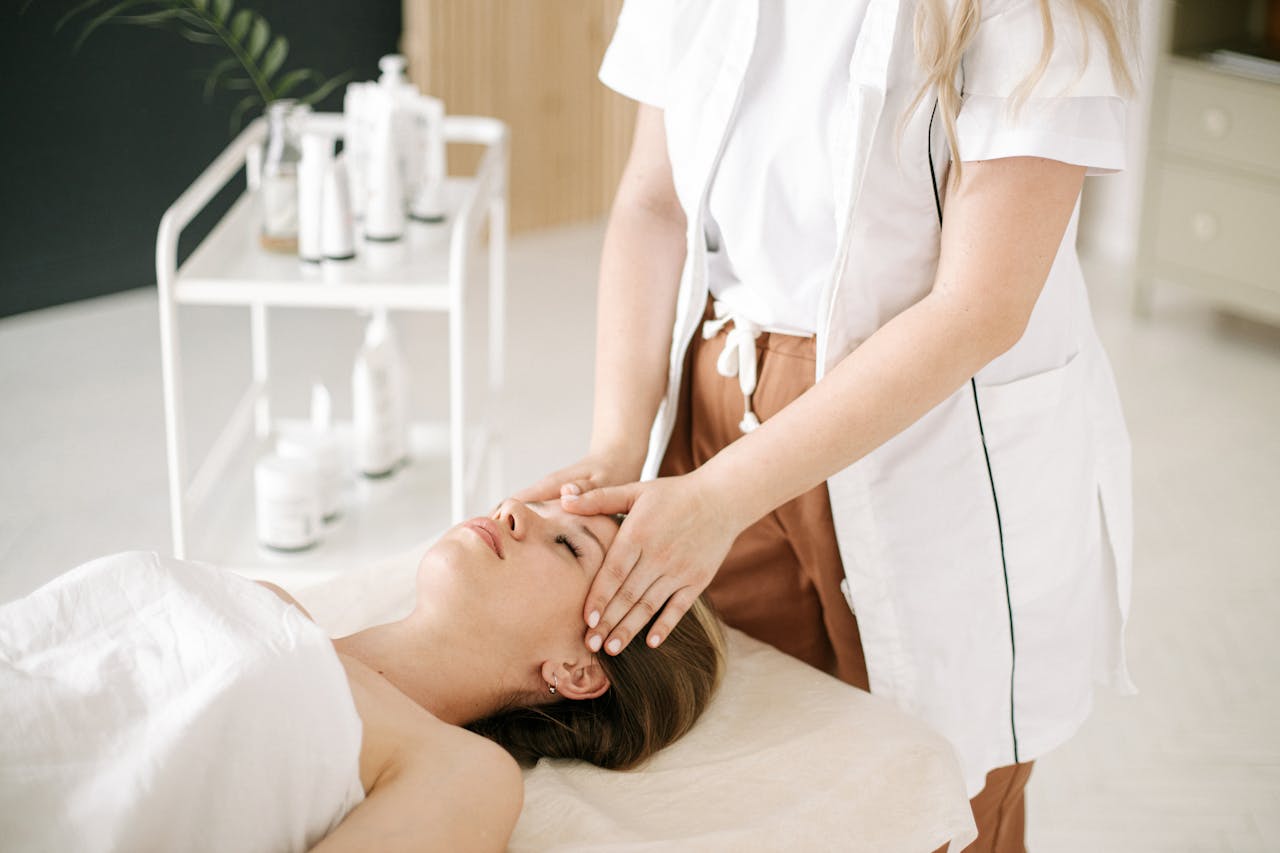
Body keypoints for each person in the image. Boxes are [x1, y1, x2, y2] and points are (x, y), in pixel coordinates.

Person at [517, 1, 1140, 849]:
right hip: (719, 407)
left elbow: (980, 305)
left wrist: (718, 497)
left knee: (946, 794)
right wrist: (620, 442)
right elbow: (652, 203)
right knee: (752, 772)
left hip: (923, 425)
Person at [0, 499, 725, 853]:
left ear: (577, 670)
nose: (513, 508)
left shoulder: (462, 771)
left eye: (568, 544)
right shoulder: (270, 602)